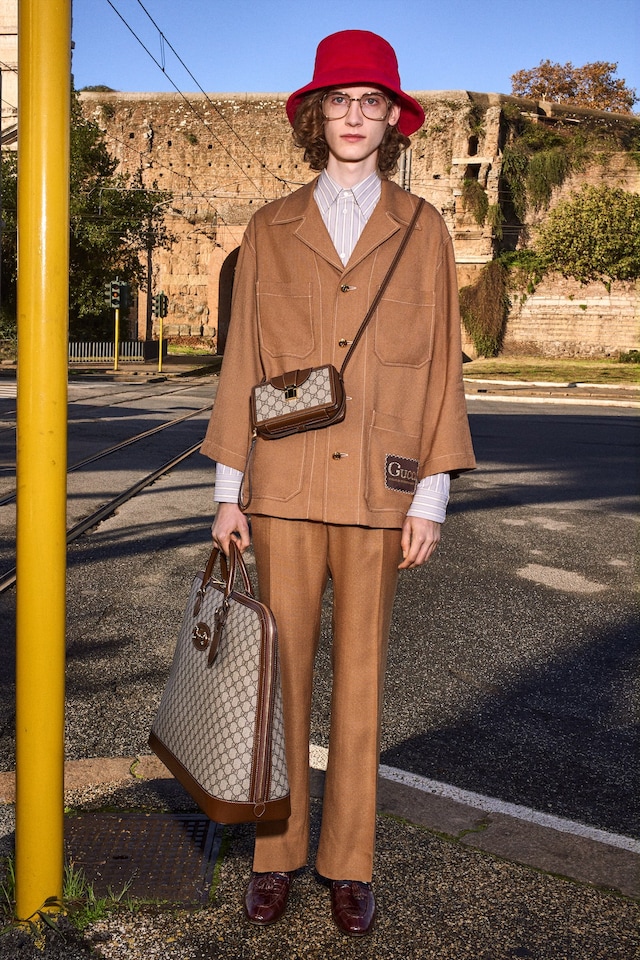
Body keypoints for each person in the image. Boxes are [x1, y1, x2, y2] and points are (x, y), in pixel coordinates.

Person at [201, 29, 476, 936]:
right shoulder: (270, 227)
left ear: (394, 121)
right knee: (275, 676)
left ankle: (347, 862)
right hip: (279, 486)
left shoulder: (424, 228)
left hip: (380, 491)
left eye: (371, 101)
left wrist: (430, 496)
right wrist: (227, 492)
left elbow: (442, 367)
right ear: (314, 117)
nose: (354, 116)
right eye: (338, 100)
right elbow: (245, 359)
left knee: (361, 682)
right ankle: (274, 854)